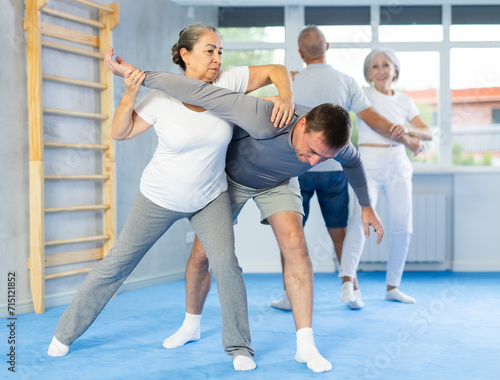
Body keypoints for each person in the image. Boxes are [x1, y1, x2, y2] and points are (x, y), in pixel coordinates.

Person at [105, 55, 385, 373]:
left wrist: (366, 205)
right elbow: (195, 91)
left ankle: (305, 346)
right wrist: (138, 74)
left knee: (296, 243)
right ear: (303, 124)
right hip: (231, 179)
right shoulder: (264, 115)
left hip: (277, 183)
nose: (311, 163)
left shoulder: (333, 146)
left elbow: (354, 163)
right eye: (311, 152)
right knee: (202, 254)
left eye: (322, 159)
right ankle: (191, 324)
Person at [47, 23, 296, 372]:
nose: (217, 58)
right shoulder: (161, 97)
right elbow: (121, 132)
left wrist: (285, 95)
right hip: (159, 197)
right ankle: (63, 334)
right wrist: (130, 93)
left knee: (226, 264)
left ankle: (239, 346)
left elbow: (276, 69)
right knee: (117, 265)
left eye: (220, 51)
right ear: (185, 55)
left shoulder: (230, 81)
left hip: (210, 196)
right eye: (210, 50)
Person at [272, 25, 424, 311]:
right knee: (341, 232)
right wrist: (408, 138)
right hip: (334, 168)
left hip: (299, 168)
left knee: (290, 236)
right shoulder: (346, 81)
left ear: (300, 53)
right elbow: (375, 120)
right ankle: (352, 291)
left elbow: (277, 122)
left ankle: (289, 296)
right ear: (327, 47)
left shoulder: (291, 82)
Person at [339, 49, 432, 305]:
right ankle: (348, 281)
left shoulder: (405, 100)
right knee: (359, 220)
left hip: (399, 163)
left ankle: (393, 286)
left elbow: (428, 132)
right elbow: (375, 122)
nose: (381, 70)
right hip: (369, 162)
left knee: (403, 227)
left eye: (386, 65)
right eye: (375, 66)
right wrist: (410, 139)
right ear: (368, 73)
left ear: (395, 70)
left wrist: (408, 130)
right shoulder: (362, 93)